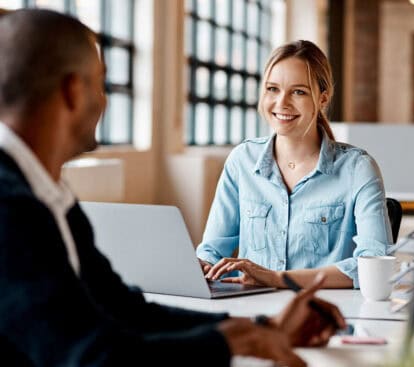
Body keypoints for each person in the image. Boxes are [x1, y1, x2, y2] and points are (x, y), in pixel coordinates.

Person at [0, 9, 346, 367]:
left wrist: (260, 328)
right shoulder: (10, 210)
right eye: (100, 83)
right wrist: (227, 343)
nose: (105, 100)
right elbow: (93, 356)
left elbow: (123, 309)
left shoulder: (47, 195)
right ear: (74, 91)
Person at [196, 40, 393, 289]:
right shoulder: (242, 160)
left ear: (322, 98)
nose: (281, 103)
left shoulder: (357, 169)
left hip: (325, 315)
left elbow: (374, 265)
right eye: (272, 89)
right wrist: (200, 266)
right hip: (252, 311)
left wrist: (278, 279)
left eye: (298, 91)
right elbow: (212, 251)